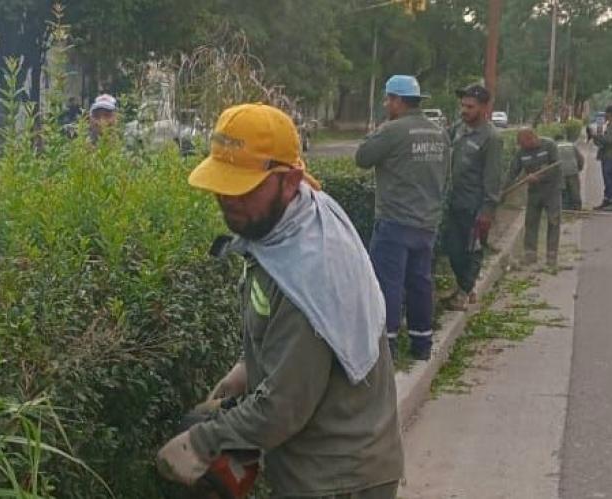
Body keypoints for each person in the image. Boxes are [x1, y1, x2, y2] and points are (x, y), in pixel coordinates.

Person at [156, 103, 403, 497]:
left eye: (243, 187)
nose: (228, 198)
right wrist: (247, 368)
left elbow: (283, 408)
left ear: (290, 181)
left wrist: (201, 444)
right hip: (329, 465)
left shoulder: (309, 273)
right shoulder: (292, 222)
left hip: (335, 480)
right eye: (222, 184)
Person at [355, 75, 449, 360]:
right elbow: (446, 174)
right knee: (420, 283)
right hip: (427, 222)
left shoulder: (393, 130)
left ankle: (388, 347)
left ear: (397, 100)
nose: (386, 104)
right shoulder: (439, 132)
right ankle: (422, 344)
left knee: (388, 284)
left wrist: (376, 131)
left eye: (388, 99)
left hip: (395, 222)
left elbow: (362, 158)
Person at [441, 83, 503, 311]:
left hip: (475, 205)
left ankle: (464, 292)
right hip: (454, 201)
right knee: (453, 248)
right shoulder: (459, 128)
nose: (464, 110)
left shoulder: (491, 137)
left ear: (484, 108)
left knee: (472, 249)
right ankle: (465, 287)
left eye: (470, 107)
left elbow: (493, 176)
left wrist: (488, 210)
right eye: (463, 105)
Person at [507, 128, 562, 267]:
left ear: (532, 138)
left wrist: (539, 177)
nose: (521, 146)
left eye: (523, 143)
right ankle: (530, 254)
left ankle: (551, 256)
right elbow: (512, 171)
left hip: (552, 190)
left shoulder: (549, 145)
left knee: (553, 221)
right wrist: (504, 189)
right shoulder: (521, 153)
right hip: (534, 192)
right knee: (531, 221)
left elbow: (556, 167)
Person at [593, 104, 612, 212]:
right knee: (606, 178)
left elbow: (610, 140)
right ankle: (607, 200)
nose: (605, 115)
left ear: (610, 114)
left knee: (610, 177)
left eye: (606, 113)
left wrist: (598, 136)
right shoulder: (610, 124)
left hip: (611, 155)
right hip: (607, 155)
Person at [555, 132, 585, 211]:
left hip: (560, 171)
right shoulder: (571, 145)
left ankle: (565, 209)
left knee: (563, 190)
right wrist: (579, 168)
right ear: (563, 138)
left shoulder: (554, 146)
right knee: (574, 190)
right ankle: (577, 208)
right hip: (573, 170)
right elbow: (580, 158)